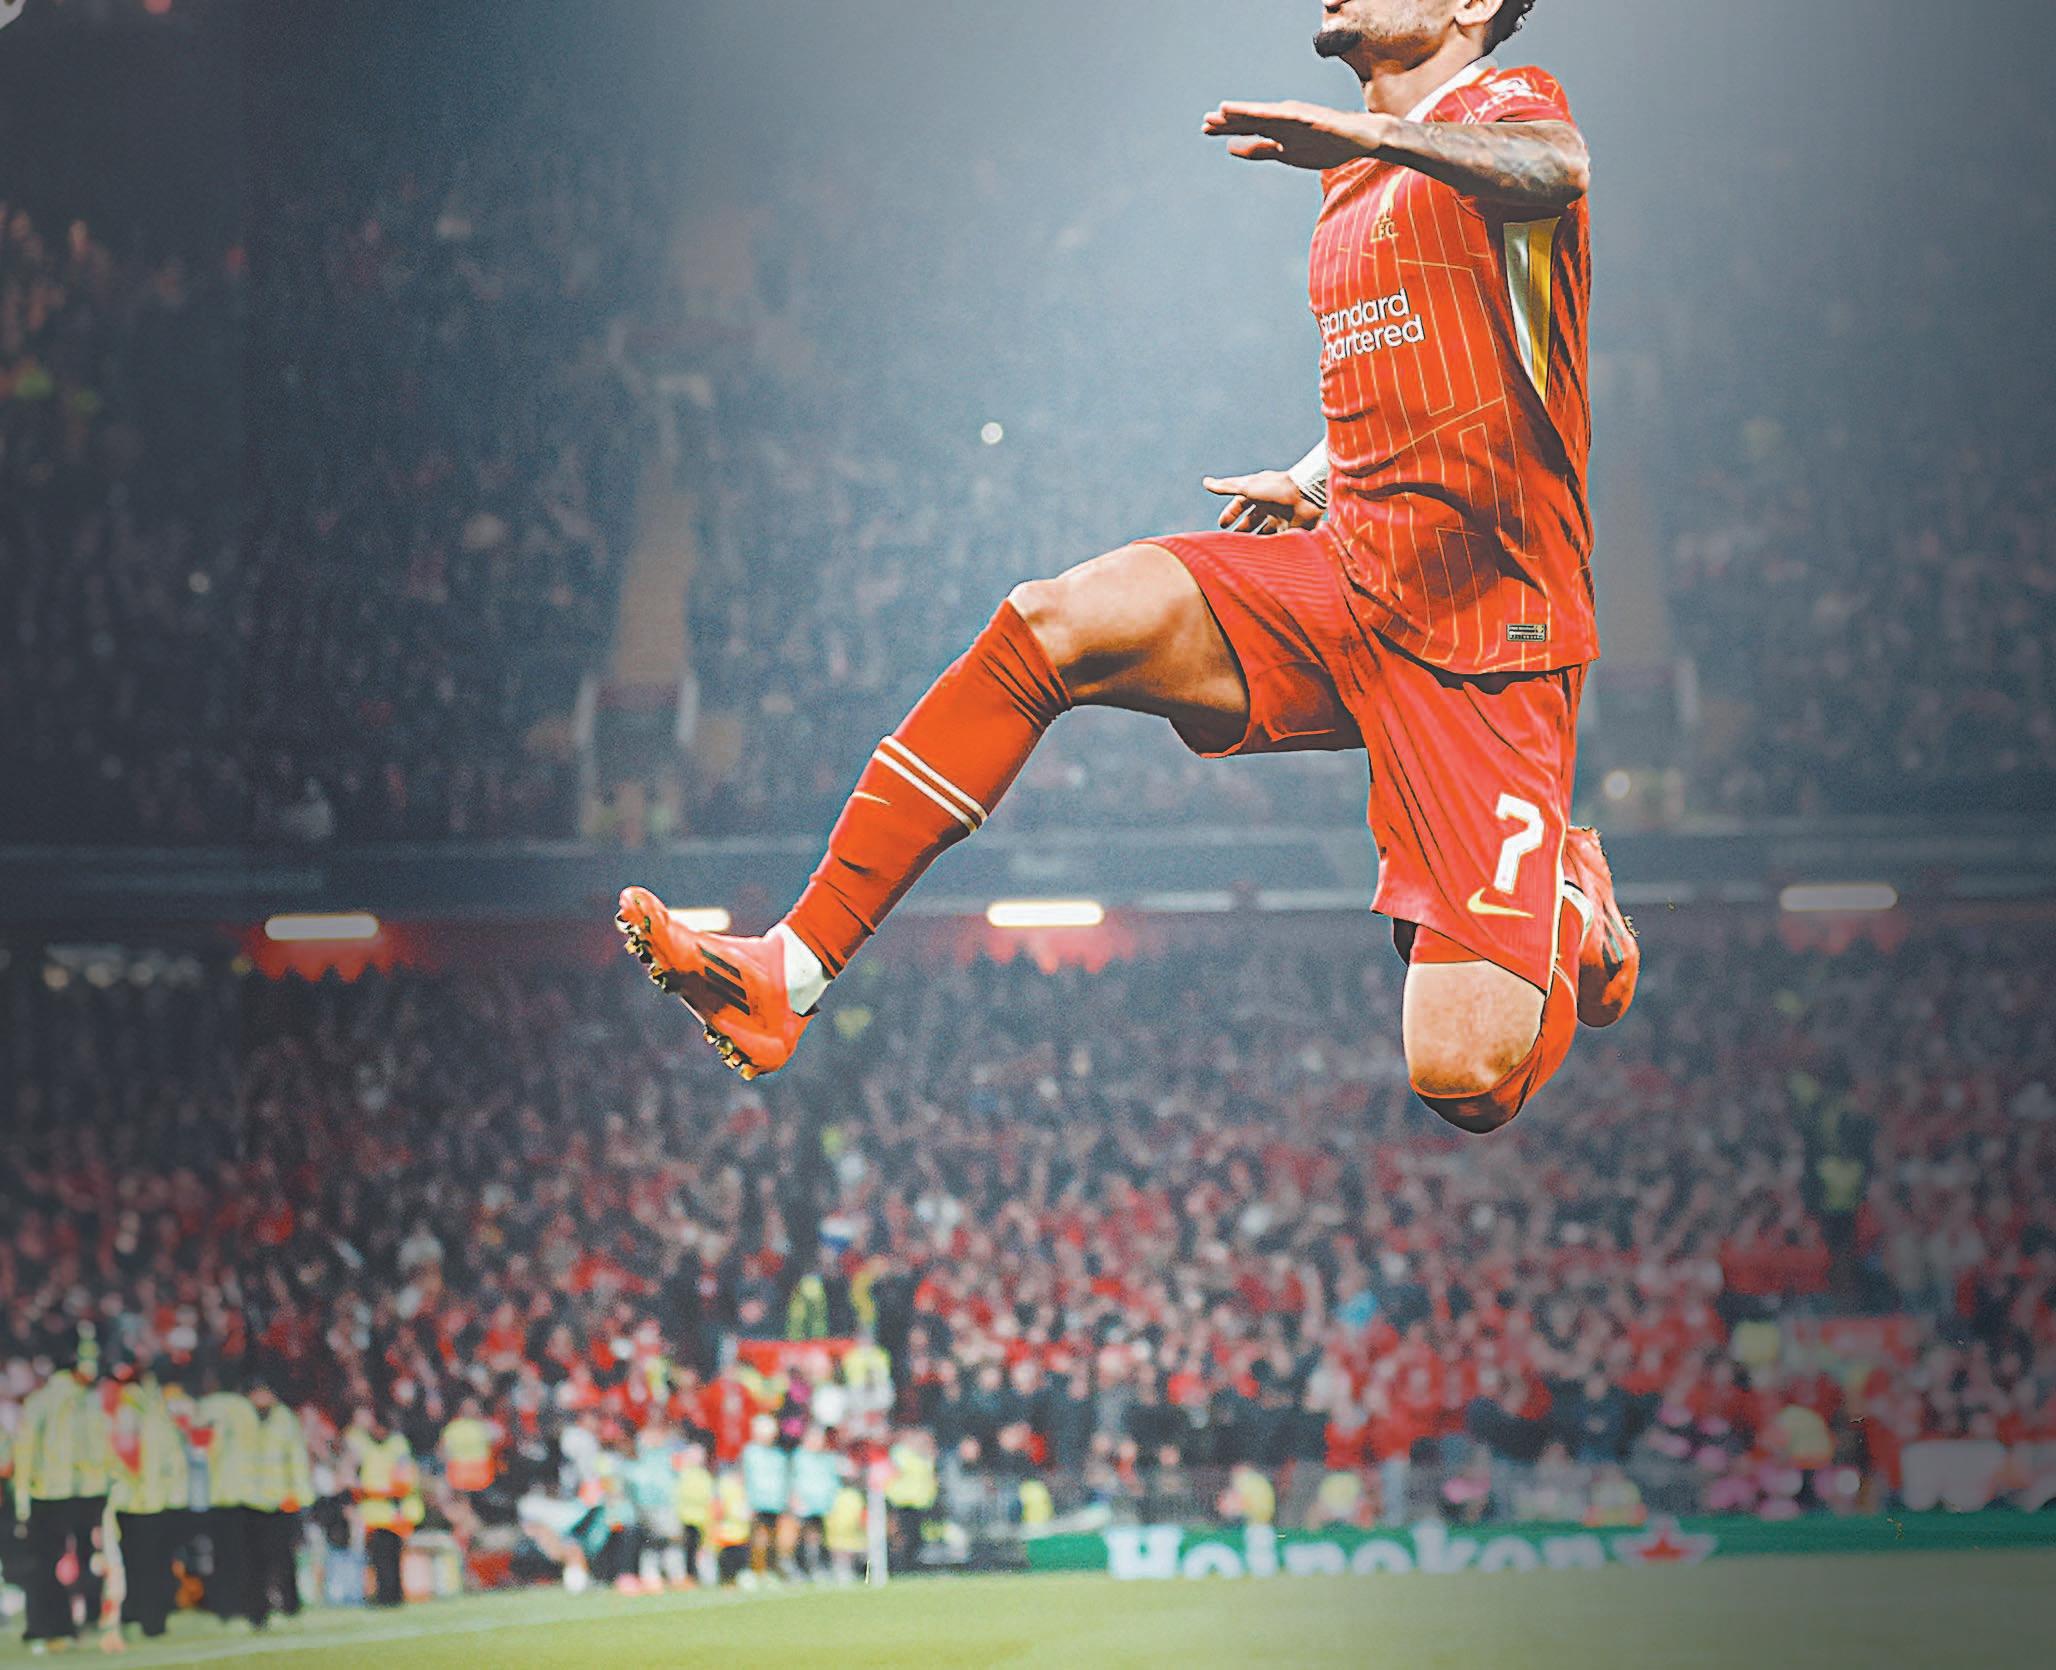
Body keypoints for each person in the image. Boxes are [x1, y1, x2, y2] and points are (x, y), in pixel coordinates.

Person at [617, 0, 1637, 1139]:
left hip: (1490, 633)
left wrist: (1373, 135)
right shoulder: (1351, 183)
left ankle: (1568, 901)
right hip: (1349, 579)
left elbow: (1557, 167)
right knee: (1051, 624)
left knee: (1463, 1080)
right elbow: (1439, 355)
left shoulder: (1507, 108)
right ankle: (788, 971)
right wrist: (1314, 475)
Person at [16, 1354, 110, 1653]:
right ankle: (90, 1616)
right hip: (89, 1491)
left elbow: (25, 1449)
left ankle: (48, 1626)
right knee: (88, 1557)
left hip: (47, 1492)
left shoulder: (41, 1400)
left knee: (44, 1563)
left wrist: (22, 1498)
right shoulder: (90, 1401)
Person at [249, 1381, 314, 1622]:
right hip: (253, 1500)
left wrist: (299, 1495)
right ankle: (258, 1608)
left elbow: (296, 1459)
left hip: (281, 1500)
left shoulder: (285, 1420)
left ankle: (290, 1605)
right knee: (256, 1558)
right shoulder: (244, 1419)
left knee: (284, 1556)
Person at [346, 1408, 420, 1607]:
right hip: (373, 1511)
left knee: (394, 1556)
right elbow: (352, 1468)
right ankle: (383, 1595)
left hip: (394, 1510)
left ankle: (395, 1595)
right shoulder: (363, 1445)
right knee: (378, 1558)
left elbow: (406, 1474)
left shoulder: (397, 1445)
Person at [738, 1414, 790, 1580]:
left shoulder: (779, 1455)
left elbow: (784, 1480)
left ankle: (770, 1571)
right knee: (756, 1538)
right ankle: (753, 1571)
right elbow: (743, 1478)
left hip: (775, 1503)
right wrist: (745, 1500)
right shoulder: (749, 1453)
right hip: (756, 1502)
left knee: (773, 1540)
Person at [789, 1427, 844, 1580]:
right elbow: (793, 1480)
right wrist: (795, 1498)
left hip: (823, 1505)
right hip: (804, 1505)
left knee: (820, 1537)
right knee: (801, 1535)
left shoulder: (828, 1458)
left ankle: (820, 1566)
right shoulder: (799, 1457)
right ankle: (800, 1567)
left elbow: (833, 1480)